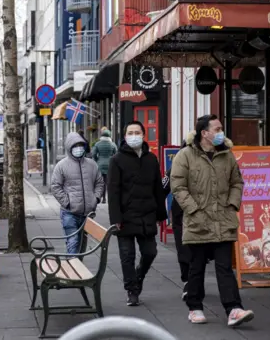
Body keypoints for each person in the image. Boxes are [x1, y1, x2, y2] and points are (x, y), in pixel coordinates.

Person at [170, 115, 254, 326]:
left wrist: (233, 205)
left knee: (225, 266)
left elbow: (237, 182)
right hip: (198, 220)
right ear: (204, 133)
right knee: (196, 266)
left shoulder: (227, 155)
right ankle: (195, 307)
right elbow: (178, 187)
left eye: (221, 129)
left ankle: (234, 308)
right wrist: (193, 210)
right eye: (217, 129)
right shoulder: (185, 156)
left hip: (223, 220)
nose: (221, 132)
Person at [108, 121, 167, 307]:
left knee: (150, 252)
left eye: (137, 132)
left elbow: (158, 188)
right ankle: (132, 290)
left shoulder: (151, 159)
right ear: (125, 137)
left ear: (143, 135)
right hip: (125, 217)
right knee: (127, 256)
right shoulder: (116, 160)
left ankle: (138, 277)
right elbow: (113, 191)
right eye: (130, 132)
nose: (134, 135)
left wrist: (160, 214)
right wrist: (115, 218)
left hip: (147, 215)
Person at [51, 132, 104, 254]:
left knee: (81, 246)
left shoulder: (92, 164)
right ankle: (72, 270)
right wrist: (67, 202)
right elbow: (55, 186)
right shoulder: (61, 166)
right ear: (69, 147)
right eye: (75, 146)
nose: (78, 148)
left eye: (81, 145)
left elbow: (100, 183)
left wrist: (95, 199)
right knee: (73, 242)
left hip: (87, 214)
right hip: (69, 213)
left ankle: (76, 268)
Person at [162, 137, 190, 300]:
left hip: (199, 216)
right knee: (183, 250)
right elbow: (162, 188)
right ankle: (188, 281)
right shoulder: (175, 168)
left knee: (194, 251)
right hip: (180, 216)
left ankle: (191, 281)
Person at [92, 129, 117, 204]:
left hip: (100, 165)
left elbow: (93, 154)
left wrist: (97, 160)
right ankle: (110, 197)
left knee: (101, 182)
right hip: (110, 165)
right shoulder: (112, 144)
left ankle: (103, 198)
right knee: (109, 181)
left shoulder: (97, 144)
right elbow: (116, 154)